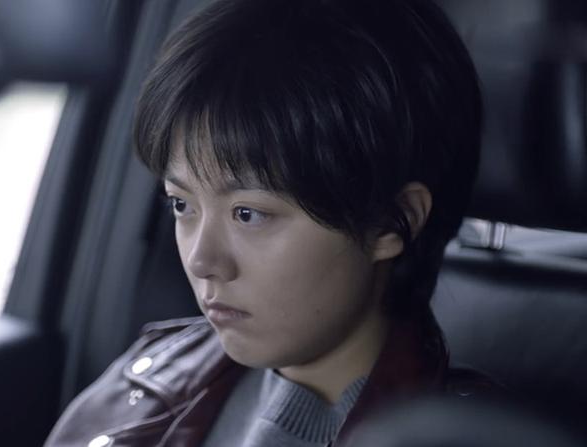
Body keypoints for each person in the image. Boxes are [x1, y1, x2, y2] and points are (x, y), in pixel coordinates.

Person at [45, 0, 491, 445]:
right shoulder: (138, 390)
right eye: (181, 204)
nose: (201, 261)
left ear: (391, 221)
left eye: (248, 214)